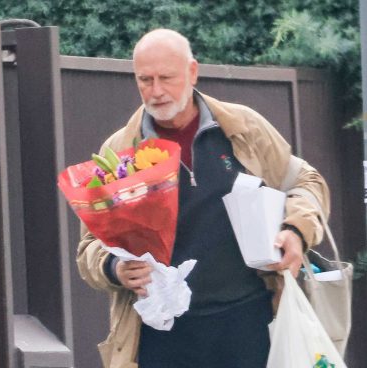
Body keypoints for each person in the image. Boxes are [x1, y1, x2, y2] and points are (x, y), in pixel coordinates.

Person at [76, 29, 330, 368]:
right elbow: (89, 247)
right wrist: (116, 268)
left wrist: (296, 230)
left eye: (166, 78)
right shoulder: (119, 152)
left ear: (193, 71)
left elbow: (306, 182)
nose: (156, 91)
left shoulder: (244, 128)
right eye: (145, 80)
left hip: (249, 321)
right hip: (160, 334)